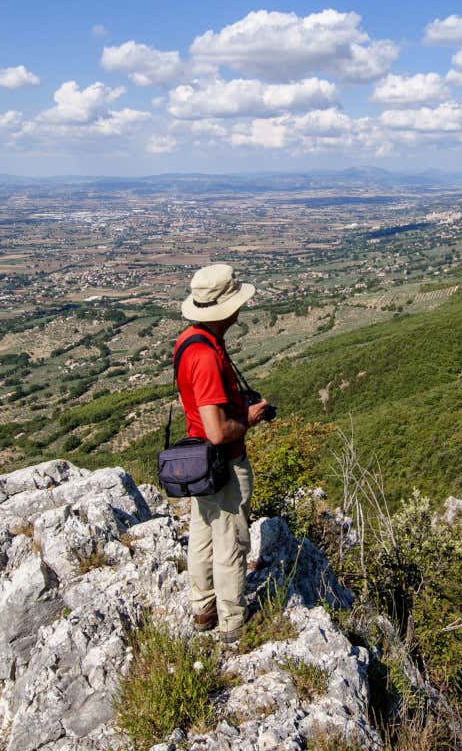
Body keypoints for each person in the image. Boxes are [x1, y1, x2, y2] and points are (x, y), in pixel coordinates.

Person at [173, 263, 269, 642]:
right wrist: (249, 417)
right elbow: (216, 432)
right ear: (225, 309)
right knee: (230, 541)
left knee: (203, 534)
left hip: (198, 461)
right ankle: (233, 623)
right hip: (223, 461)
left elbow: (198, 407)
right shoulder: (207, 357)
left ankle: (203, 608)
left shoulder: (189, 341)